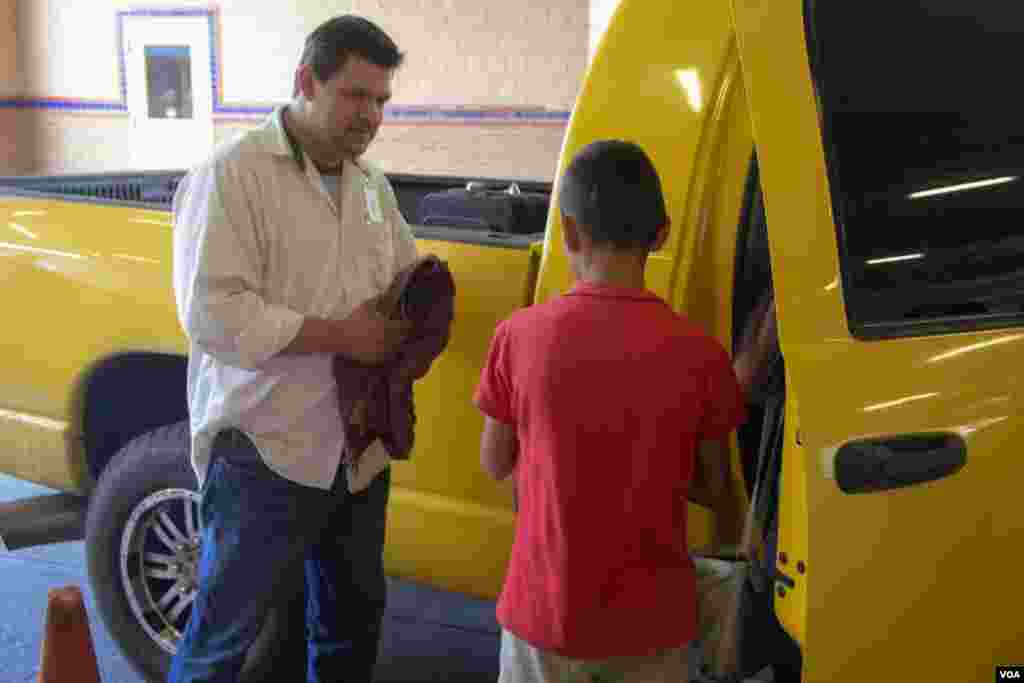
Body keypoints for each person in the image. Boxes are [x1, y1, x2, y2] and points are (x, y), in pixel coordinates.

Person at [169, 15, 418, 683]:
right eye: (355, 95)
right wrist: (341, 335)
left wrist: (416, 307)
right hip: (264, 452)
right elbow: (212, 313)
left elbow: (402, 275)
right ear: (306, 81)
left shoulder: (371, 188)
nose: (371, 115)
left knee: (348, 628)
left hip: (357, 455)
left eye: (381, 101)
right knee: (224, 640)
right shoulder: (233, 176)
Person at [473, 140, 748, 683]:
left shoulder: (519, 336)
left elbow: (494, 461)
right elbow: (716, 490)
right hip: (653, 626)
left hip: (543, 615)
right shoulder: (701, 354)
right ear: (662, 234)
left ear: (569, 233)